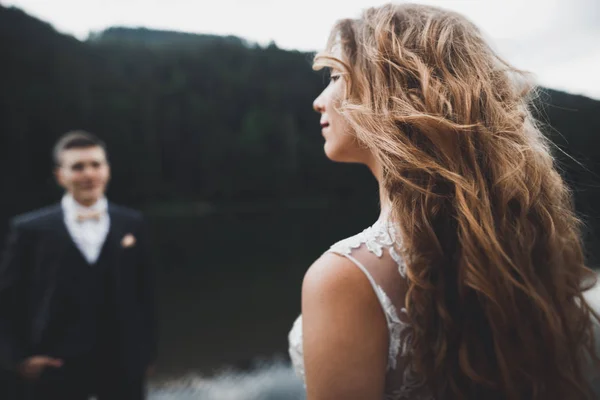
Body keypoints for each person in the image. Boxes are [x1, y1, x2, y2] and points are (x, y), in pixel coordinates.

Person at [288, 3, 600, 399]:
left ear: (388, 87)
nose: (319, 101)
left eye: (334, 76)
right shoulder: (517, 242)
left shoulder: (343, 278)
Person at [0, 131, 157, 400]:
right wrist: (19, 358)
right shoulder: (29, 229)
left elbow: (146, 293)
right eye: (78, 167)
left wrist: (147, 354)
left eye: (96, 165)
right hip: (56, 365)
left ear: (107, 170)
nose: (89, 174)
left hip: (122, 363)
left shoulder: (132, 223)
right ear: (61, 175)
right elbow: (8, 298)